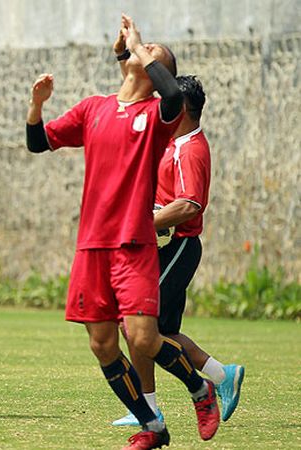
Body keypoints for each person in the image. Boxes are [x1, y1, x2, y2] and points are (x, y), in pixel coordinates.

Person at [25, 14, 220, 450]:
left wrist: (138, 47)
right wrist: (37, 105)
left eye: (154, 53)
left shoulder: (158, 115)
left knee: (144, 338)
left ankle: (200, 389)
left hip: (133, 244)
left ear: (156, 73)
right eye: (142, 49)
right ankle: (152, 426)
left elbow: (172, 94)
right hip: (91, 244)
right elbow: (38, 142)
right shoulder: (94, 108)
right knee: (102, 344)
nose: (145, 50)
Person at [111, 74, 245, 426]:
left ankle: (150, 407)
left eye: (168, 101)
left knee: (133, 324)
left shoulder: (190, 149)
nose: (161, 106)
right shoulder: (174, 141)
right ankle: (221, 375)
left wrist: (143, 222)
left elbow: (189, 205)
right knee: (161, 334)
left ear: (182, 108)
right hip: (166, 249)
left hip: (178, 248)